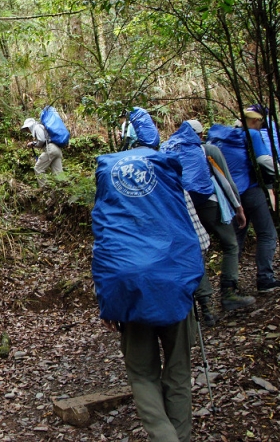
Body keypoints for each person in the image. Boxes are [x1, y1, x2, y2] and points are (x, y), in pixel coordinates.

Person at [92, 146, 208, 442]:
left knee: (143, 375)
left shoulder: (110, 199)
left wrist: (108, 302)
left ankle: (163, 436)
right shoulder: (172, 189)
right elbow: (200, 240)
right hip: (174, 288)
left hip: (131, 291)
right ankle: (180, 436)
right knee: (178, 371)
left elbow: (105, 248)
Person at [162, 120, 255, 326]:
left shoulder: (168, 149)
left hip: (183, 207)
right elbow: (225, 180)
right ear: (200, 134)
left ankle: (207, 307)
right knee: (230, 244)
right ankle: (228, 293)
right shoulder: (209, 149)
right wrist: (238, 208)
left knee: (196, 251)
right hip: (209, 204)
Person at [207, 108, 280, 294]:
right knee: (267, 233)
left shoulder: (219, 138)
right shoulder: (252, 135)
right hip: (250, 190)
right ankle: (265, 279)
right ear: (256, 122)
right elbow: (264, 160)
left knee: (236, 238)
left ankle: (229, 285)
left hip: (229, 195)